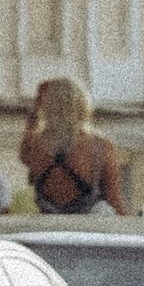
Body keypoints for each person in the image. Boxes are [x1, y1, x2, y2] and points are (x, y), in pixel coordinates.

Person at [20, 76, 128, 215]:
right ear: (83, 105)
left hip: (50, 227)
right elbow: (114, 199)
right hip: (86, 230)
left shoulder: (34, 145)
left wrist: (37, 105)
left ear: (47, 106)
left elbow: (24, 153)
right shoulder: (101, 146)